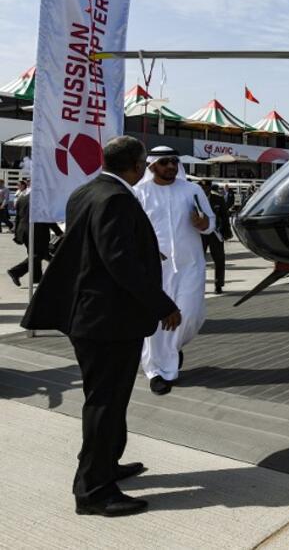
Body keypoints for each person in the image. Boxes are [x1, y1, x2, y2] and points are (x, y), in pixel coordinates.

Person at [22, 136, 181, 517]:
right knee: (105, 404)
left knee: (108, 401)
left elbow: (98, 248)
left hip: (93, 315)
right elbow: (119, 260)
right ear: (136, 165)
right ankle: (93, 491)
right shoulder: (117, 198)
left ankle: (106, 464)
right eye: (144, 162)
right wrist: (162, 304)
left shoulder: (86, 191)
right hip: (107, 321)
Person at [135, 146, 215, 395]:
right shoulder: (139, 193)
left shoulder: (192, 190)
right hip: (155, 269)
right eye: (164, 162)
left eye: (173, 162)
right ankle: (158, 371)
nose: (170, 166)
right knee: (157, 323)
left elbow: (211, 223)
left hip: (191, 265)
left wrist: (204, 224)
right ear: (152, 166)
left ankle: (171, 351)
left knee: (189, 316)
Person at [8, 182, 62, 286]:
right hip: (37, 232)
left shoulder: (21, 198)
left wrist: (17, 234)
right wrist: (58, 232)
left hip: (23, 231)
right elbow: (47, 218)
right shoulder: (41, 200)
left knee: (34, 254)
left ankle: (36, 278)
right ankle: (16, 271)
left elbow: (18, 218)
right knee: (39, 254)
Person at [199, 179, 230, 293]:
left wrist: (227, 232)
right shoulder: (194, 199)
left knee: (219, 259)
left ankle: (218, 284)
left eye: (206, 188)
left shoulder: (218, 199)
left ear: (209, 188)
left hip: (215, 233)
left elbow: (224, 216)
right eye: (202, 188)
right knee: (198, 261)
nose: (204, 190)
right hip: (200, 234)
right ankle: (198, 285)